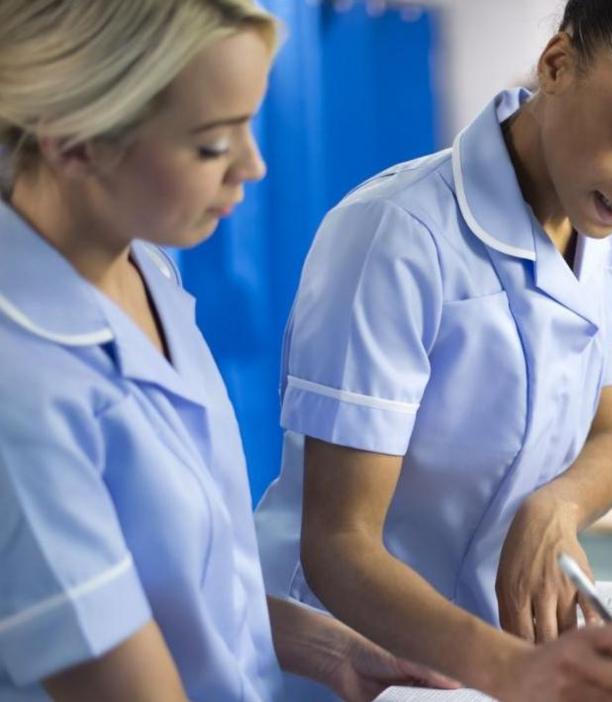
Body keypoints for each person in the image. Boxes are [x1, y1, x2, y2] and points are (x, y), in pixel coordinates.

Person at [252, 0, 612, 699]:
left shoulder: (604, 225)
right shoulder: (395, 234)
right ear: (557, 65)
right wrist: (511, 669)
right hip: (349, 656)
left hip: (481, 658)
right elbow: (339, 545)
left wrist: (557, 508)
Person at [0, 2, 457, 700]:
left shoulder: (145, 267)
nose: (254, 165)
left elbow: (183, 588)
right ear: (74, 142)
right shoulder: (21, 385)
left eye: (250, 125)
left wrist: (331, 647)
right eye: (214, 143)